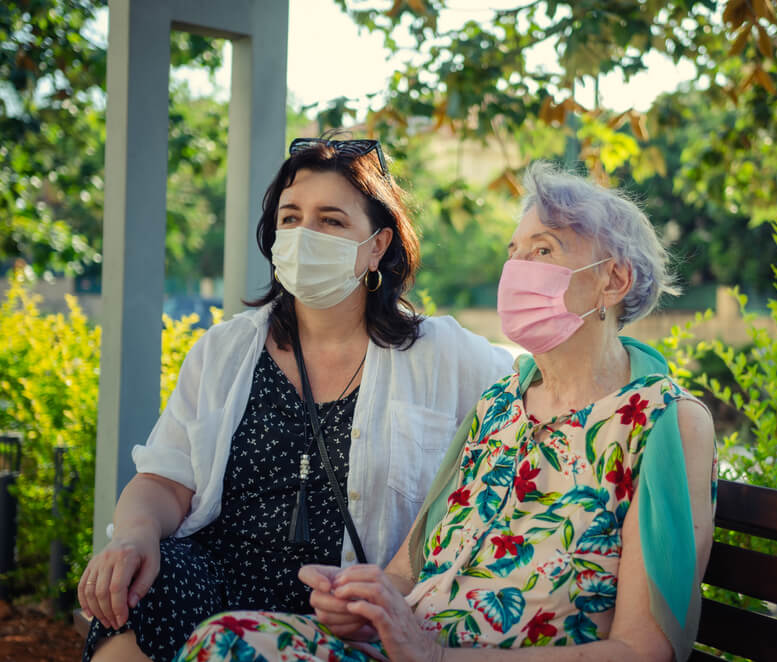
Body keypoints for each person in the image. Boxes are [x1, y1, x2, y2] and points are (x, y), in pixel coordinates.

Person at [175, 162, 717, 662]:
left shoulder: (664, 421)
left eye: (544, 251)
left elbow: (645, 650)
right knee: (222, 640)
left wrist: (436, 656)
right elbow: (406, 574)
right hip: (407, 651)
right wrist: (366, 603)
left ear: (614, 281)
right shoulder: (501, 404)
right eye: (514, 251)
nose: (517, 270)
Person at [78, 137, 513, 662]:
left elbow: (543, 394)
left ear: (377, 245)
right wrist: (134, 535)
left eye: (331, 221)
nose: (305, 234)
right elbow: (166, 480)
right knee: (149, 583)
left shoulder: (447, 357)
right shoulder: (225, 350)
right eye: (291, 218)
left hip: (346, 616)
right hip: (214, 595)